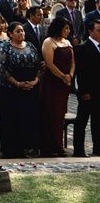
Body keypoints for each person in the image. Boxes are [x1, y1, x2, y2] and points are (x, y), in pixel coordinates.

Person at [0, 21, 41, 158]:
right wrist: (17, 84)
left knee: (27, 118)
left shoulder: (31, 46)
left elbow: (39, 66)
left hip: (30, 88)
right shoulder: (4, 47)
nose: (22, 33)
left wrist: (34, 81)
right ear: (10, 34)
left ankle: (26, 147)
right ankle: (11, 150)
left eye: (22, 31)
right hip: (10, 89)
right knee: (12, 119)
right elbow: (2, 70)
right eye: (18, 31)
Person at [40, 17, 74, 157]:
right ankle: (50, 146)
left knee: (60, 115)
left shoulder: (67, 42)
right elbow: (50, 64)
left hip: (64, 84)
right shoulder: (49, 42)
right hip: (52, 83)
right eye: (65, 28)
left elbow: (73, 62)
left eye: (68, 28)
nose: (67, 31)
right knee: (50, 114)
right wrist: (62, 76)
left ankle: (58, 144)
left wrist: (70, 76)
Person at [73, 19, 100, 157]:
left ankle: (97, 149)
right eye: (98, 30)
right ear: (90, 31)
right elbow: (81, 72)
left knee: (98, 122)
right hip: (87, 92)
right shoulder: (82, 48)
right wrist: (83, 91)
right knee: (82, 121)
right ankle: (78, 150)